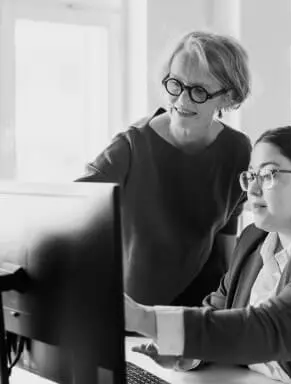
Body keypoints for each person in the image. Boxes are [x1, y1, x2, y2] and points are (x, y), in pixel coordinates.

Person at [124, 125, 291, 384]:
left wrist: (143, 318)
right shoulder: (255, 239)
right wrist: (185, 353)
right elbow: (221, 314)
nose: (253, 189)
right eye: (251, 175)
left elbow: (271, 330)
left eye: (269, 175)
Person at [77, 31, 252, 306]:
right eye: (176, 84)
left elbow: (227, 229)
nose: (182, 100)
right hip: (138, 306)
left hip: (205, 308)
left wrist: (231, 303)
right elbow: (73, 206)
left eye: (199, 91)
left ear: (227, 97)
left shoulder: (238, 150)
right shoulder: (133, 145)